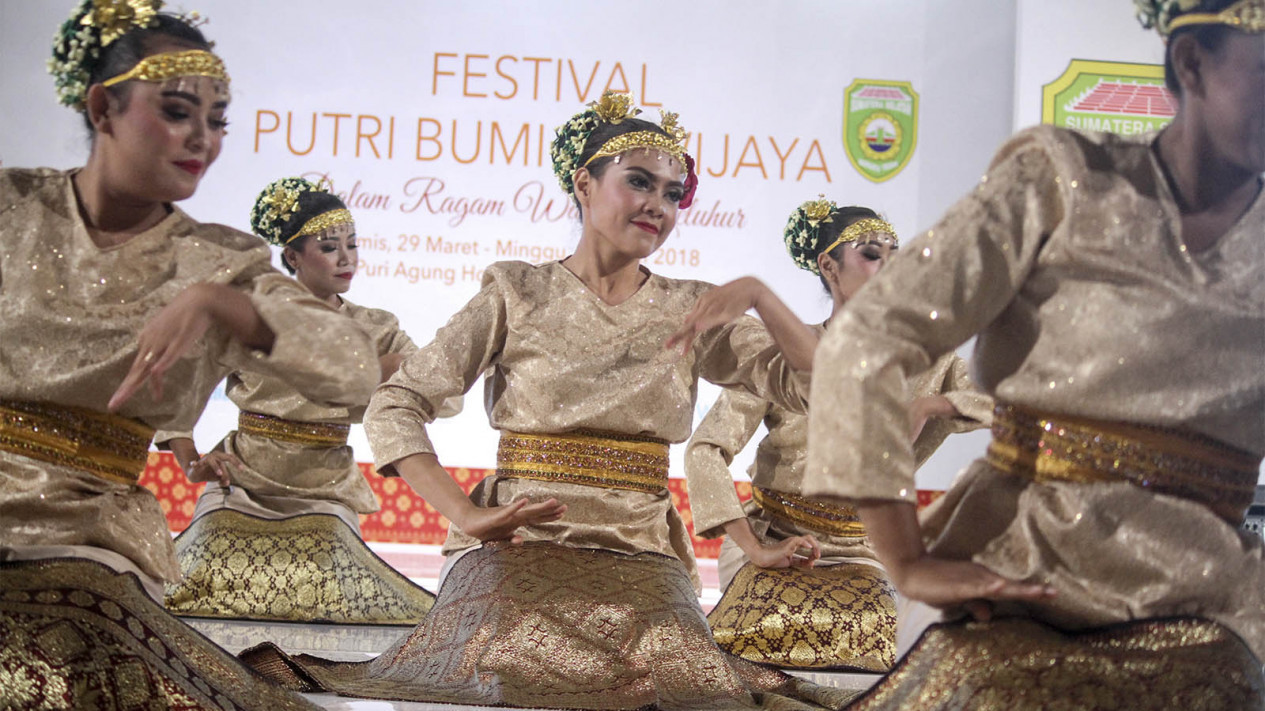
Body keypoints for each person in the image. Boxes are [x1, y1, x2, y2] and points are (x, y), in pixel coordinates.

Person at [241, 92, 852, 710]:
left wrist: (759, 294)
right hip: (520, 547)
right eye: (639, 182)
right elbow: (397, 402)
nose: (658, 206)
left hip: (638, 551)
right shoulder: (517, 291)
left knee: (672, 671)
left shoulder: (694, 307)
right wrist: (466, 514)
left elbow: (822, 382)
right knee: (508, 655)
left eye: (673, 193)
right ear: (584, 184)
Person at [804, 0, 1265, 707]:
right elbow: (868, 336)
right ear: (1192, 63)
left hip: (1208, 599)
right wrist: (904, 557)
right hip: (1019, 568)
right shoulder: (1063, 180)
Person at [0, 2, 378, 708]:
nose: (202, 138)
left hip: (82, 537)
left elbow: (356, 369)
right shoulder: (11, 208)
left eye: (218, 120)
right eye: (177, 112)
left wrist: (221, 304)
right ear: (102, 108)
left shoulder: (218, 261)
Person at [687, 198, 991, 671]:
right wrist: (756, 549)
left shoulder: (929, 364)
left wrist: (930, 406)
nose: (889, 266)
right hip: (776, 536)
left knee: (874, 643)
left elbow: (1008, 403)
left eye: (896, 254)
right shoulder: (783, 353)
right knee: (755, 640)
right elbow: (706, 448)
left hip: (863, 549)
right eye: (871, 254)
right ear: (829, 266)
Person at [160, 177, 438, 624]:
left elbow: (436, 385)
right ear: (292, 257)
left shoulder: (376, 326)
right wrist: (191, 462)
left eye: (352, 245)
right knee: (197, 585)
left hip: (325, 490)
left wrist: (387, 369)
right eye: (329, 247)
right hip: (242, 484)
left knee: (326, 591)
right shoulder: (250, 316)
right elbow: (178, 380)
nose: (347, 258)